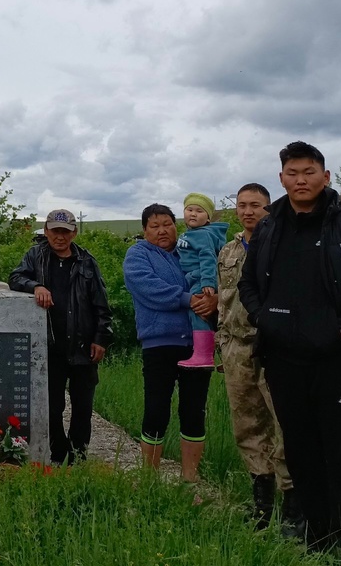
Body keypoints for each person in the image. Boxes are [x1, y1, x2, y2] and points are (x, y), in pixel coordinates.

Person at [239, 142, 341, 565]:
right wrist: (263, 318)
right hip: (284, 362)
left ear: (325, 176)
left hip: (339, 363)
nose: (300, 179)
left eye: (309, 172)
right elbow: (248, 284)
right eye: (292, 172)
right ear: (282, 178)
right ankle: (318, 543)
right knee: (303, 456)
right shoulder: (270, 228)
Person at [217, 182, 300, 531]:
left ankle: (295, 507)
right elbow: (224, 300)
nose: (248, 211)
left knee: (287, 425)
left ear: (269, 209)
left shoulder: (284, 245)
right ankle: (262, 506)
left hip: (274, 349)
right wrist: (222, 339)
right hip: (236, 348)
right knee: (248, 426)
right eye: (242, 205)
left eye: (256, 205)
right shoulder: (228, 251)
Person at [9, 207, 114, 465]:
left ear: (74, 233)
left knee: (82, 409)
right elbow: (15, 277)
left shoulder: (87, 261)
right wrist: (36, 286)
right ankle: (57, 455)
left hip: (82, 348)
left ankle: (78, 459)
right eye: (55, 231)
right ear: (46, 231)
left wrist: (101, 338)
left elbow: (101, 304)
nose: (60, 237)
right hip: (49, 348)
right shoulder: (35, 256)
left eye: (65, 232)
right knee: (51, 409)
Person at [123, 204, 216, 485]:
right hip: (159, 344)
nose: (162, 230)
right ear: (145, 230)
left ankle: (190, 477)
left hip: (197, 344)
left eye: (167, 223)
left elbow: (212, 277)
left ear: (176, 225)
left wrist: (213, 298)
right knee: (156, 408)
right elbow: (149, 289)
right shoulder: (138, 254)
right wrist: (190, 299)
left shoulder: (190, 249)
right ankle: (150, 478)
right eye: (154, 226)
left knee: (194, 410)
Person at [176, 192, 230, 369]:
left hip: (200, 278)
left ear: (207, 218)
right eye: (189, 209)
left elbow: (208, 257)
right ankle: (220, 352)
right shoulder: (191, 234)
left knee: (198, 310)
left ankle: (203, 355)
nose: (193, 213)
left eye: (199, 211)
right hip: (193, 278)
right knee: (213, 316)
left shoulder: (203, 235)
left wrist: (208, 281)